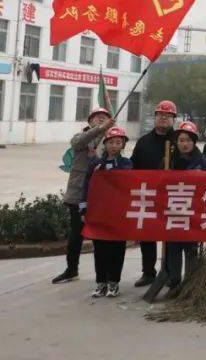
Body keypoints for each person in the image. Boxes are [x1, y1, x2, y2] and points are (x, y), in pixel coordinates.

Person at [53, 106, 114, 284]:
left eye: (104, 117)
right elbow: (77, 144)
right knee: (76, 233)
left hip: (100, 194)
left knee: (100, 235)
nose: (101, 119)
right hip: (78, 192)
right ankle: (71, 269)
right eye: (97, 117)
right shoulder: (80, 137)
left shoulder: (110, 140)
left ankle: (104, 273)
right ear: (89, 121)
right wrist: (100, 129)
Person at [160, 121, 206, 301]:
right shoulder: (169, 159)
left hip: (193, 213)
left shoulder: (202, 161)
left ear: (194, 141)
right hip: (173, 211)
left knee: (191, 249)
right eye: (181, 140)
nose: (184, 143)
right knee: (173, 248)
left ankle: (191, 283)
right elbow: (158, 185)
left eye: (188, 140)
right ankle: (174, 283)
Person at [130, 100, 177, 287]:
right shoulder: (143, 142)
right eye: (160, 115)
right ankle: (148, 272)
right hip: (148, 196)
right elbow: (132, 168)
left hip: (173, 196)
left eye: (168, 116)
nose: (163, 118)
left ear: (174, 119)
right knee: (147, 235)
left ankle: (170, 272)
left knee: (171, 236)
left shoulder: (179, 140)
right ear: (155, 118)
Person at [82, 125, 133, 298]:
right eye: (111, 142)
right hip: (99, 214)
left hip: (118, 215)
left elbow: (128, 183)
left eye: (118, 142)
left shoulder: (126, 164)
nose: (114, 145)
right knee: (100, 250)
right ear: (106, 144)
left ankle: (114, 283)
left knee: (117, 250)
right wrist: (84, 207)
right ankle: (100, 282)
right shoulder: (96, 164)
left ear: (123, 145)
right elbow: (87, 186)